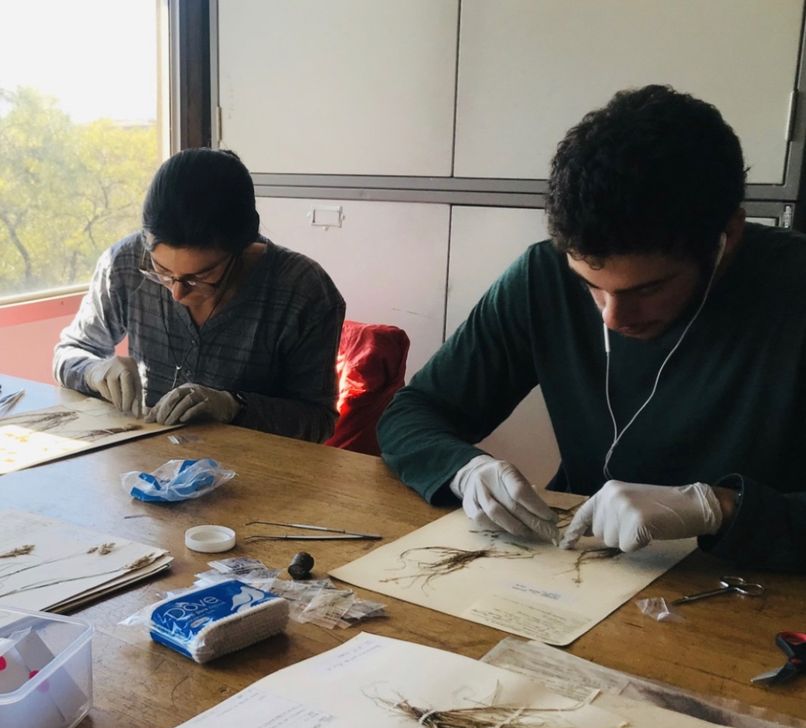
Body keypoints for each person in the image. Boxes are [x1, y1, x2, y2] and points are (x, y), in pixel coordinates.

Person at [378, 85, 806, 571]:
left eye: (647, 289)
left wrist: (721, 509)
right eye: (591, 286)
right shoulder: (543, 277)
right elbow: (412, 413)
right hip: (581, 566)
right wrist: (464, 469)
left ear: (724, 240)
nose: (612, 317)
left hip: (750, 587)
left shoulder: (791, 292)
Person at [54, 148, 345, 442]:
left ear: (243, 245)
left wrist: (234, 406)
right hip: (142, 462)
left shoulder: (303, 291)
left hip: (252, 472)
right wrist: (94, 371)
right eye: (162, 271)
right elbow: (68, 353)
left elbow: (318, 421)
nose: (177, 293)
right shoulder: (125, 263)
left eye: (200, 276)